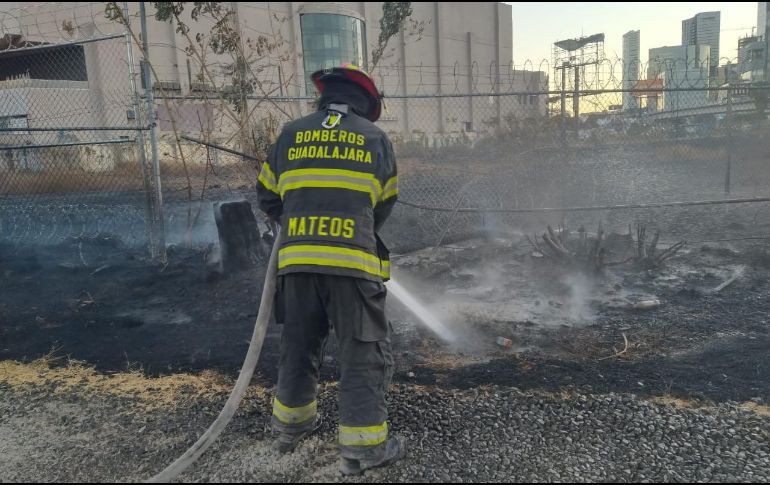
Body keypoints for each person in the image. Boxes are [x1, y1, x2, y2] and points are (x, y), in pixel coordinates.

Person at [256, 64, 404, 475]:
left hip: (297, 263)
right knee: (362, 352)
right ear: (365, 103)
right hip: (353, 265)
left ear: (324, 96)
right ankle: (364, 449)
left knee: (299, 345)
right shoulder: (375, 138)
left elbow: (267, 197)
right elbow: (383, 204)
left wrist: (302, 217)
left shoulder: (290, 133)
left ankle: (290, 429)